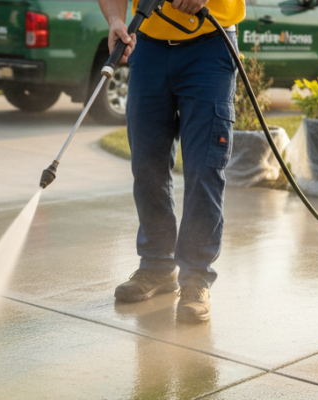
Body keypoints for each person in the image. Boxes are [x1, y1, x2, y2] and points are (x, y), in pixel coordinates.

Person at [99, 0, 245, 322]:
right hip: (148, 48)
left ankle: (195, 279)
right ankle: (157, 266)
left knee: (204, 168)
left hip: (210, 46)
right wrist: (114, 19)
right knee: (147, 164)